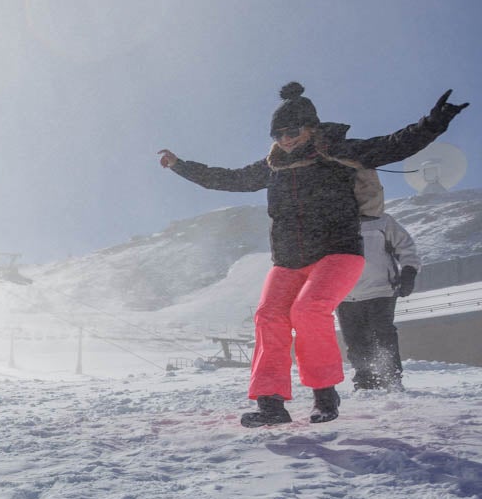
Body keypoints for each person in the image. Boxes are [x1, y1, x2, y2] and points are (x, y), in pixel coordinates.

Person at [158, 83, 467, 426]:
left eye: (292, 131)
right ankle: (271, 404)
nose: (286, 139)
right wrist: (179, 165)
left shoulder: (337, 153)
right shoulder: (271, 166)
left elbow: (392, 146)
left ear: (311, 128)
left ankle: (324, 395)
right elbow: (226, 178)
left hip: (338, 252)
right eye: (278, 134)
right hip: (289, 259)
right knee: (269, 317)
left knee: (307, 311)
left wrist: (434, 122)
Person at [337, 208, 421, 392]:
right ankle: (365, 383)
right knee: (355, 341)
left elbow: (405, 246)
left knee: (383, 336)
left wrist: (409, 271)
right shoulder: (332, 223)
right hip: (345, 295)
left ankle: (391, 379)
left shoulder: (382, 221)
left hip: (381, 290)